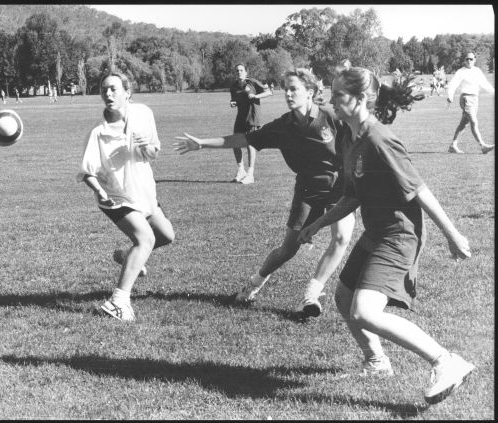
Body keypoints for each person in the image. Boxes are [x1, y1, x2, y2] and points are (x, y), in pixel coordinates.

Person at [298, 66, 475, 404]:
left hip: (399, 236)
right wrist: (318, 224)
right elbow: (353, 195)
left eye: (338, 94)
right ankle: (376, 363)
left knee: (364, 311)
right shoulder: (348, 138)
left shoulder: (379, 140)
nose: (330, 99)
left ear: (361, 98)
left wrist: (453, 235)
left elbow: (419, 190)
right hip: (375, 232)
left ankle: (446, 361)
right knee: (344, 299)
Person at [174, 68, 356, 318]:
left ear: (310, 93)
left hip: (338, 186)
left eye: (294, 89)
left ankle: (312, 294)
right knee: (288, 250)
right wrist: (202, 143)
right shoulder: (283, 126)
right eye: (286, 88)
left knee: (341, 239)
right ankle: (254, 284)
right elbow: (243, 139)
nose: (288, 93)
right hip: (307, 189)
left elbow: (356, 144)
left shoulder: (331, 117)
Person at [76, 71, 175, 322]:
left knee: (166, 236)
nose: (107, 94)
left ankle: (125, 256)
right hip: (115, 197)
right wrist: (100, 192)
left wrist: (146, 147)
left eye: (113, 89)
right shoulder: (98, 133)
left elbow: (153, 152)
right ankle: (118, 302)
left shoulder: (143, 113)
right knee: (145, 239)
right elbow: (86, 173)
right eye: (104, 90)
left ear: (127, 93)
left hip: (144, 191)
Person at [229, 63, 273, 184]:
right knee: (235, 142)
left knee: (250, 144)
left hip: (252, 117)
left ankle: (250, 174)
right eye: (237, 71)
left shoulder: (252, 82)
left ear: (246, 72)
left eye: (241, 70)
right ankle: (241, 170)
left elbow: (269, 92)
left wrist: (255, 95)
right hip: (240, 118)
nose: (239, 72)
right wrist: (233, 103)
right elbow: (235, 100)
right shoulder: (233, 87)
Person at [446, 52, 495, 154]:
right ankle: (482, 145)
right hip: (466, 98)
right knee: (473, 121)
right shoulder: (461, 71)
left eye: (471, 59)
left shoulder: (477, 71)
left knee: (463, 124)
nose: (469, 61)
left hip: (475, 99)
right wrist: (450, 95)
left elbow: (485, 84)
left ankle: (453, 145)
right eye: (467, 59)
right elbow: (453, 84)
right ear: (464, 60)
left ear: (475, 60)